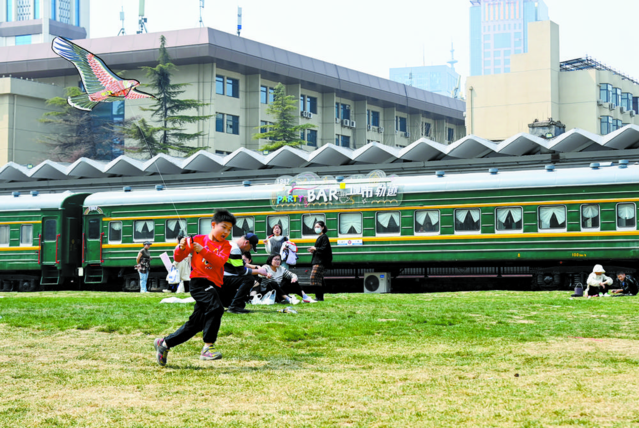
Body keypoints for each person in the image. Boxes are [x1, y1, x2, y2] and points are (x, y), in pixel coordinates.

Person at [153, 209, 236, 366]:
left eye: (229, 229)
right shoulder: (197, 239)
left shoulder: (226, 246)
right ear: (213, 225)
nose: (226, 231)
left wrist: (202, 250)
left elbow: (218, 262)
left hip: (215, 285)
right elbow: (178, 257)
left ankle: (164, 344)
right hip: (199, 283)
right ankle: (207, 348)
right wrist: (182, 247)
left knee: (195, 324)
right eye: (224, 227)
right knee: (217, 308)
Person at [223, 233, 270, 314]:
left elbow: (241, 264)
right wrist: (259, 271)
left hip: (221, 279)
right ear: (246, 242)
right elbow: (242, 271)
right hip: (224, 279)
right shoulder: (235, 249)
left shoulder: (231, 244)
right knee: (249, 279)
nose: (249, 250)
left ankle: (232, 304)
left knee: (241, 304)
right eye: (251, 247)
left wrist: (256, 267)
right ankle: (234, 307)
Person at [308, 220, 332, 301]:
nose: (316, 228)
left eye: (318, 227)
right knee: (319, 279)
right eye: (315, 227)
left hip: (320, 261)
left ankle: (319, 297)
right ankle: (319, 297)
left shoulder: (324, 237)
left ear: (322, 227)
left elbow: (324, 249)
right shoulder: (321, 237)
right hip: (318, 260)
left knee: (314, 278)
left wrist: (315, 248)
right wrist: (314, 250)